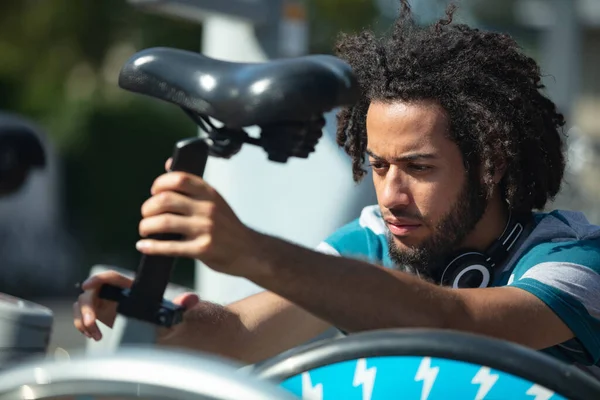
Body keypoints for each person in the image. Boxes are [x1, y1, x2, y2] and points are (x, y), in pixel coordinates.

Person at [74, 1, 600, 378]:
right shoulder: (375, 240)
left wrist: (249, 250)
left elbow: (451, 322)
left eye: (418, 167)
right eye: (377, 165)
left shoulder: (574, 262)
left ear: (492, 164)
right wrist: (151, 312)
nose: (390, 196)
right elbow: (235, 333)